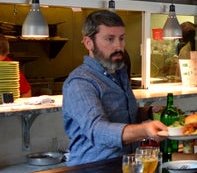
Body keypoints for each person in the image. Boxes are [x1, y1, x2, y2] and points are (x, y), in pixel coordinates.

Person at [63, 10, 167, 165]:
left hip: (125, 167)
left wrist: (148, 112)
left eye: (122, 38)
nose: (119, 46)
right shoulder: (80, 82)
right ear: (88, 43)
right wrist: (144, 130)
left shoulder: (119, 74)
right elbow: (97, 130)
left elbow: (121, 116)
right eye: (109, 39)